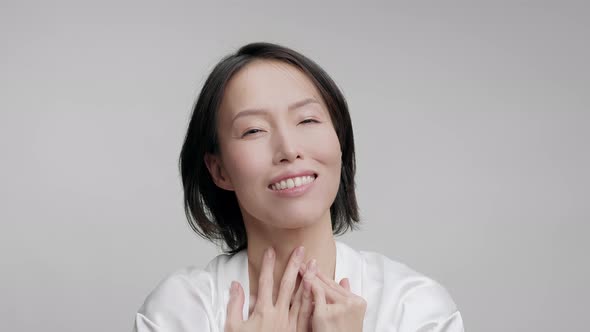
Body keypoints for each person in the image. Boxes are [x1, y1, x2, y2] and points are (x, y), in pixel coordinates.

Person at [132, 42, 464, 332]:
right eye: (254, 131)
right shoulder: (179, 313)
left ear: (340, 141)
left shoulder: (412, 307)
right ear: (220, 171)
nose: (289, 149)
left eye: (307, 120)